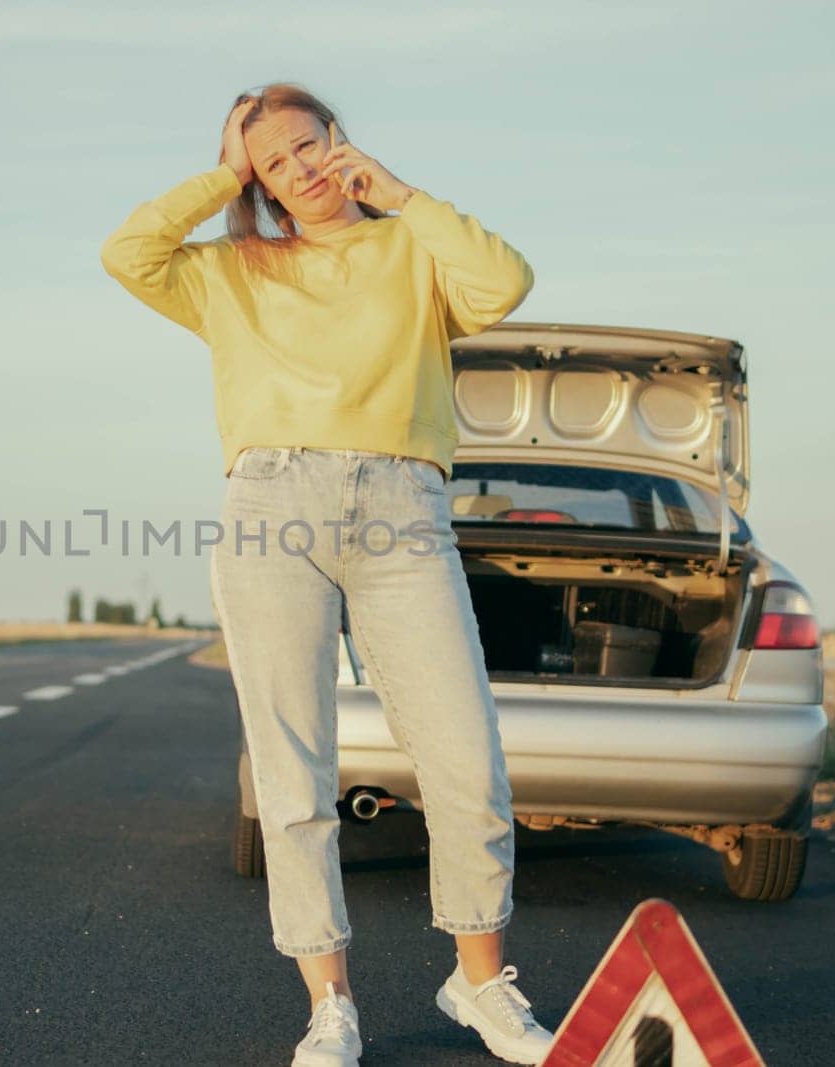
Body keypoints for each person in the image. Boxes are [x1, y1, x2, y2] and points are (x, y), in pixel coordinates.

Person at [99, 82, 553, 1067]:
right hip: (273, 508)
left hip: (402, 511)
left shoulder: (412, 250)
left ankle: (480, 983)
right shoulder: (226, 270)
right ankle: (330, 1002)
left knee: (467, 762)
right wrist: (223, 172)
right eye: (273, 163)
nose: (300, 169)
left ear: (339, 140)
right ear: (254, 182)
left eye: (309, 145)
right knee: (294, 777)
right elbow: (126, 253)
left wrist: (400, 194)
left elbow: (505, 280)